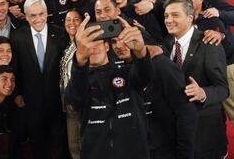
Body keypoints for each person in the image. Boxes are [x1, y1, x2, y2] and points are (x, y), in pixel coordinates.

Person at [65, 15, 153, 159]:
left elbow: (145, 76)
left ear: (107, 46)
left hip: (134, 152)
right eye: (88, 44)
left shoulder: (127, 70)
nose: (92, 48)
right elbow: (74, 98)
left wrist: (141, 52)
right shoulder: (79, 79)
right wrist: (80, 60)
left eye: (97, 42)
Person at [163, 0, 229, 158]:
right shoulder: (166, 43)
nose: (169, 20)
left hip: (205, 133)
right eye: (166, 16)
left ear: (190, 18)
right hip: (177, 133)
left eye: (175, 15)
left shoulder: (209, 43)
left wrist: (203, 93)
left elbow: (223, 89)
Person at [113, 36, 198, 158]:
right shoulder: (116, 70)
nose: (119, 46)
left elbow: (186, 112)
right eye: (113, 42)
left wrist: (184, 155)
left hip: (165, 151)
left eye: (124, 39)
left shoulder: (161, 65)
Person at [10, 0, 68, 159]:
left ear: (47, 13)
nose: (38, 19)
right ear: (26, 17)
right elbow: (16, 68)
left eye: (41, 14)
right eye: (33, 15)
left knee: (58, 142)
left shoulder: (60, 33)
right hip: (30, 100)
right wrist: (17, 94)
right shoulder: (17, 36)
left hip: (57, 99)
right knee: (37, 142)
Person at [59, 9, 83, 159]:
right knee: (73, 146)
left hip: (83, 104)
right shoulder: (67, 45)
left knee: (85, 145)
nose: (72, 23)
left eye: (76, 19)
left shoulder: (86, 44)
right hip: (68, 104)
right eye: (68, 20)